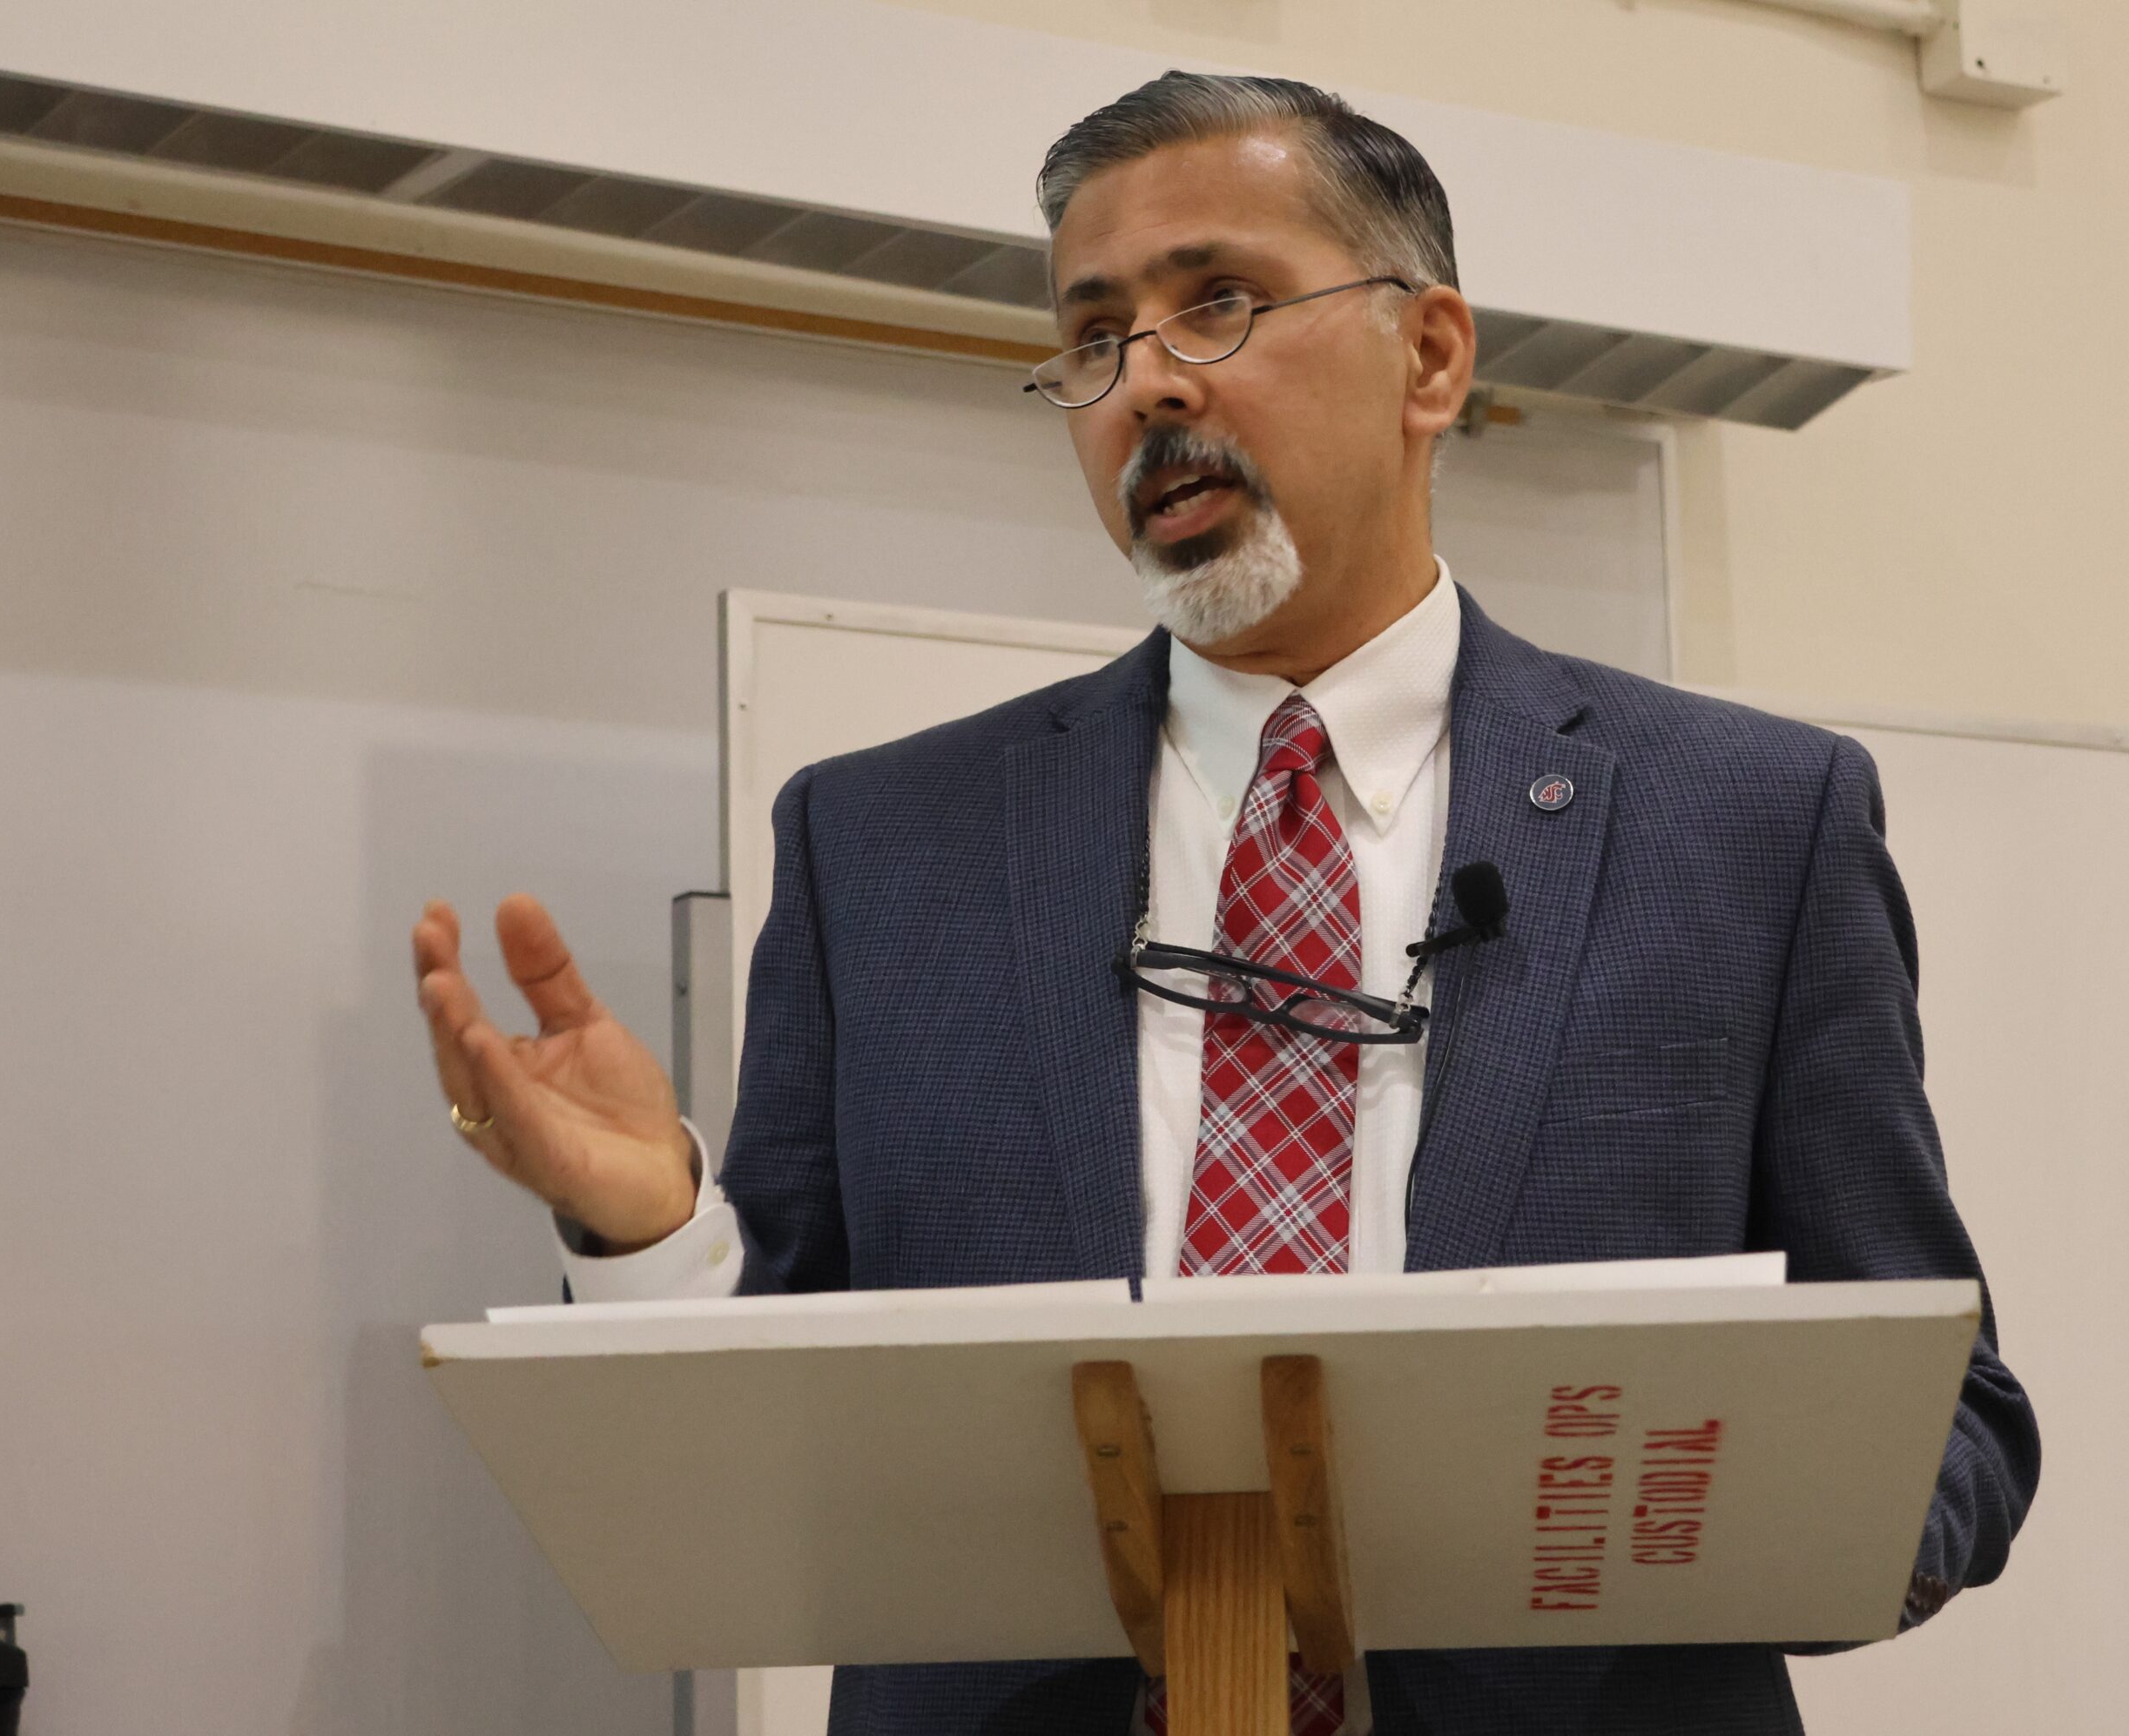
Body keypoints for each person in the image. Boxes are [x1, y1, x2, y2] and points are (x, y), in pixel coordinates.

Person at [411, 71, 2038, 1736]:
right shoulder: (883, 844)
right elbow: (774, 1443)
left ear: (1430, 356)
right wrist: (650, 1228)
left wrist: (1761, 1536)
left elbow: (1950, 1414)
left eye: (1220, 304)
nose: (1147, 386)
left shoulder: (1746, 822)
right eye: (1095, 338)